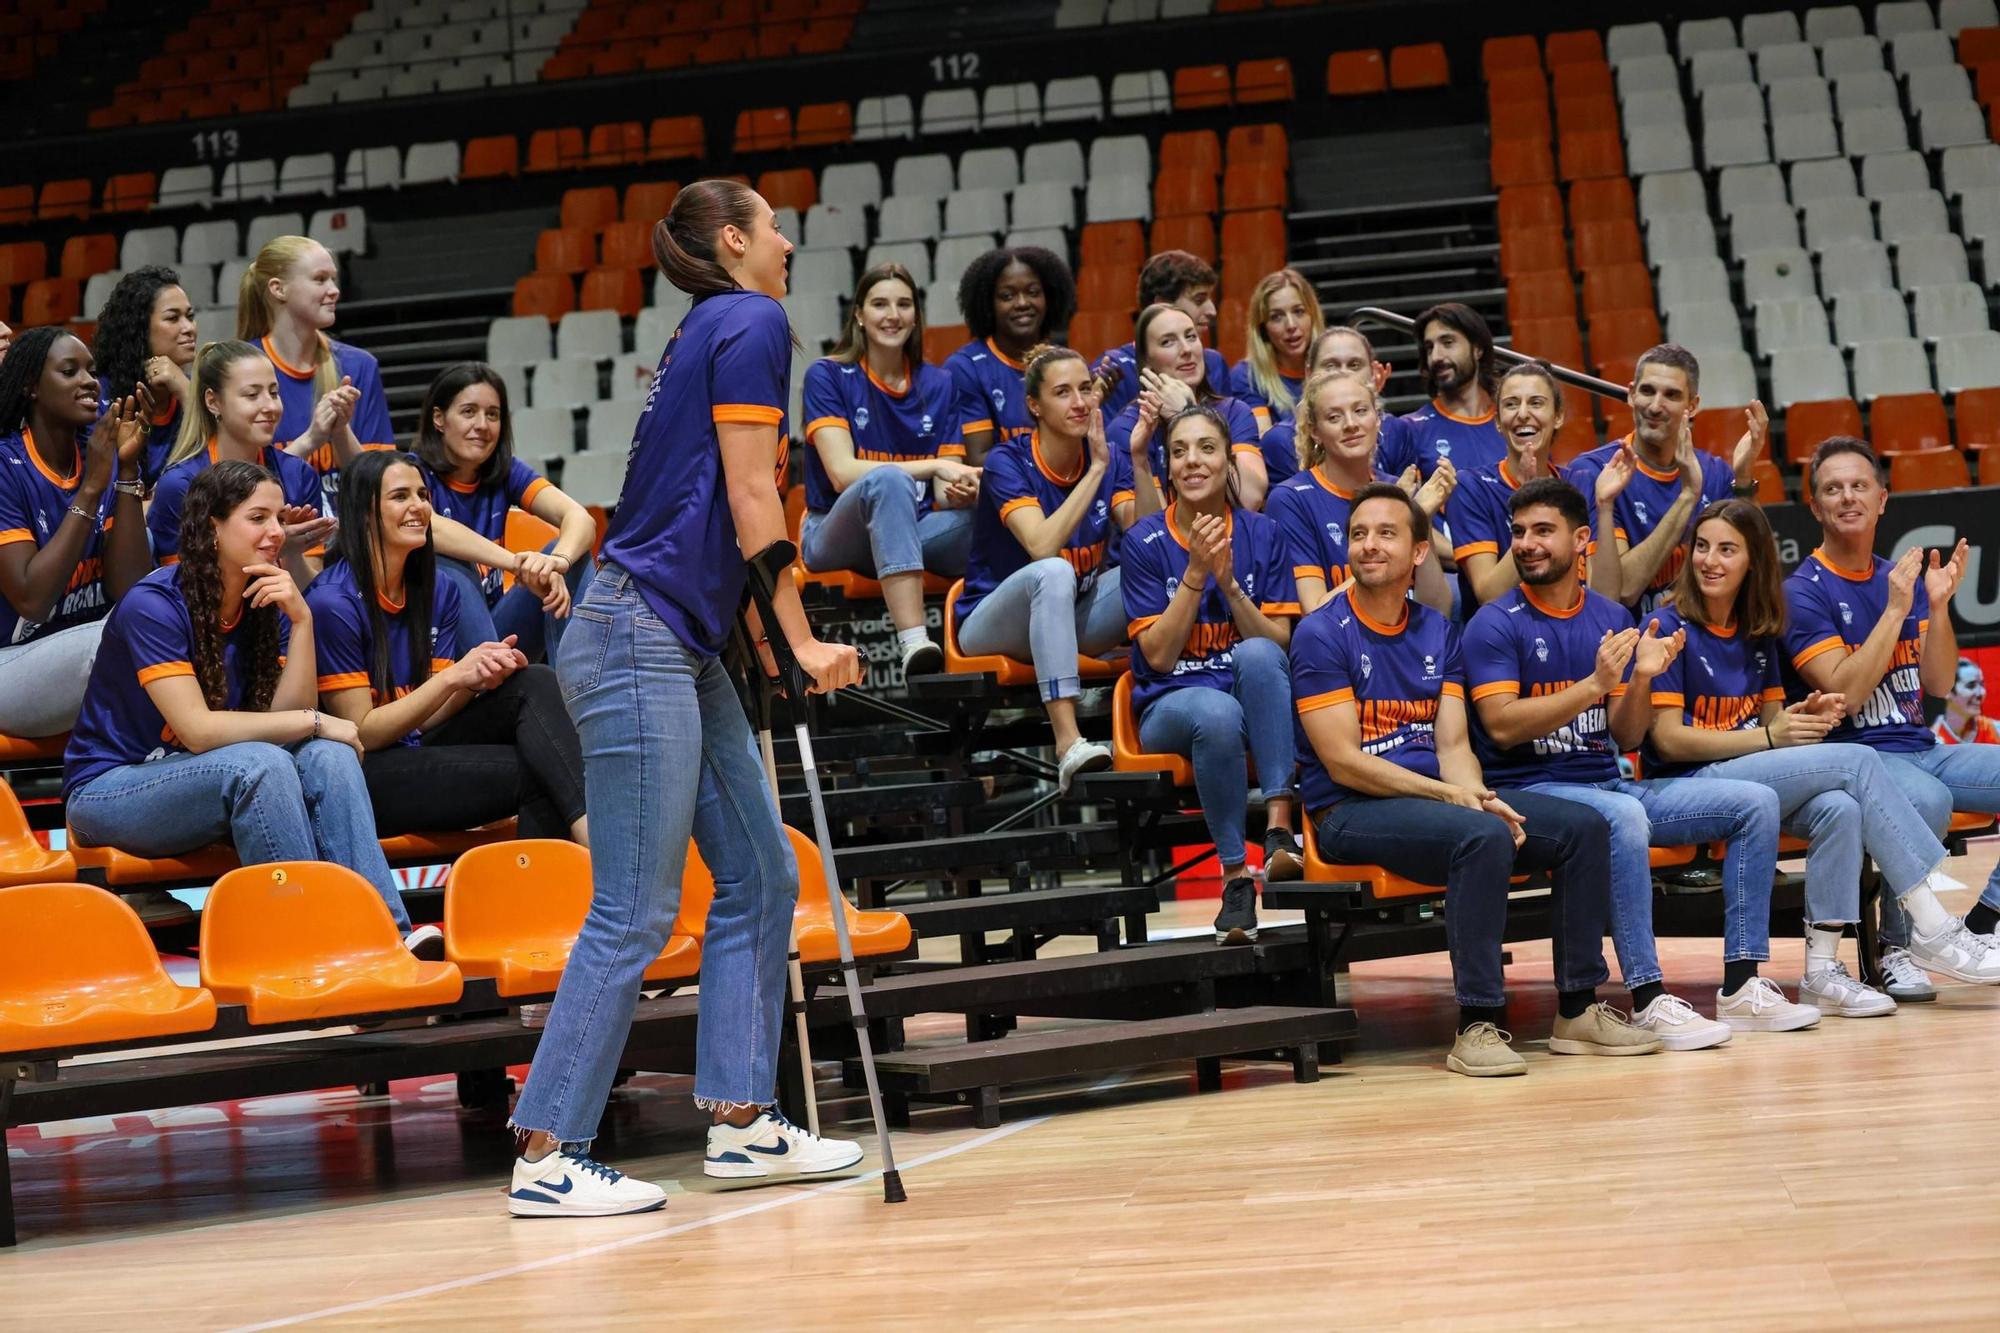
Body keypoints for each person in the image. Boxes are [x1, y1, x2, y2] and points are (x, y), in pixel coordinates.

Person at [507, 180, 867, 1218]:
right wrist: (799, 641)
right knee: (634, 905)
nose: (790, 238)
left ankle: (745, 1122)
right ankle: (545, 1150)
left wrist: (761, 636)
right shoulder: (752, 318)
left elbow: (710, 512)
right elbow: (752, 497)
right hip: (634, 638)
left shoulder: (710, 323)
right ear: (734, 240)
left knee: (758, 871)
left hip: (678, 636)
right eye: (774, 223)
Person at [1291, 481, 1658, 1075]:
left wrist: (1477, 796)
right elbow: (1343, 762)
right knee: (1480, 836)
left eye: (1386, 533)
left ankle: (1577, 1009)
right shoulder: (1322, 632)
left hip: (1436, 800)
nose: (1369, 545)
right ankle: (1476, 1024)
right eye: (1359, 534)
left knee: (1585, 828)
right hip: (1350, 810)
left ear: (1417, 553)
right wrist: (1459, 801)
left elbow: (1454, 744)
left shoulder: (1439, 631)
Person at [1463, 477, 1817, 1048]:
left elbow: (1626, 735)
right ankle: (1648, 996)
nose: (1527, 543)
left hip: (1608, 781)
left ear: (1581, 540)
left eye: (1542, 531)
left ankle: (1743, 982)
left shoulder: (1610, 615)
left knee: (1756, 803)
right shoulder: (1495, 622)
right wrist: (1594, 684)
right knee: (1620, 818)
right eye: (1519, 532)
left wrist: (1642, 680)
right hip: (1531, 791)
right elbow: (1502, 726)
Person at [1643, 498, 1992, 1014]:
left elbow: (1773, 722)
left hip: (1749, 774)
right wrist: (1769, 739)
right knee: (1853, 761)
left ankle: (1823, 970)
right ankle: (1932, 924)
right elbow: (1669, 741)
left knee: (1840, 807)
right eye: (1701, 547)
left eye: (1726, 550)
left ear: (1753, 562)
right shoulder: (1669, 625)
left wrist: (1808, 714)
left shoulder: (1757, 631)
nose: (1709, 560)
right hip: (1689, 782)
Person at [63, 461, 426, 942]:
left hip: (207, 777)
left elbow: (286, 722)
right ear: (212, 526)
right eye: (258, 518)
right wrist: (316, 720)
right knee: (262, 764)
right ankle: (311, 947)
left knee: (329, 756)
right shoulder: (153, 605)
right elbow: (198, 730)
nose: (276, 532)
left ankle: (387, 938)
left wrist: (301, 622)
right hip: (110, 790)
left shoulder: (269, 598)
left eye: (278, 518)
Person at [1785, 436, 2000, 996]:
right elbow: (1845, 693)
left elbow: (1937, 683)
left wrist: (1936, 606)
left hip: (1919, 746)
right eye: (1833, 489)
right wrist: (1897, 608)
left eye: (1860, 486)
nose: (1848, 497)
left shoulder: (1899, 575)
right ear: (1815, 507)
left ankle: (1984, 924)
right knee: (1926, 800)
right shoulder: (1802, 591)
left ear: (1883, 498)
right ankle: (1897, 950)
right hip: (1859, 754)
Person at [308, 451, 588, 852]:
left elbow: (430, 715)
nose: (419, 506)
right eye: (400, 496)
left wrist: (477, 680)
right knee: (541, 771)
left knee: (533, 680)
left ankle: (588, 857)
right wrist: (456, 677)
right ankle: (584, 871)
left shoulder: (439, 590)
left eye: (422, 494)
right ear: (365, 511)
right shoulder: (332, 602)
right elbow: (363, 732)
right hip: (364, 771)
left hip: (417, 743)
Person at [1120, 403, 1303, 942]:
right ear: (1167, 468)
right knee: (1215, 712)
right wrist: (1197, 574)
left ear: (1229, 463)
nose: (1192, 461)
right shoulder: (1144, 542)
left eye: (1206, 448)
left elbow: (1278, 644)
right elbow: (1157, 656)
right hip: (1168, 703)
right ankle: (1233, 878)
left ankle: (1278, 831)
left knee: (1258, 655)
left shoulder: (1264, 533)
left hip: (1250, 693)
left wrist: (1229, 583)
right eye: (1179, 451)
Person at [958, 345, 1154, 792]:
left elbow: (1150, 539)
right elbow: (1042, 546)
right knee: (1054, 572)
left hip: (1070, 617)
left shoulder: (1113, 457)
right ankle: (1068, 743)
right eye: (1063, 393)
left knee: (1161, 567)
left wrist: (1138, 461)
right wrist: (1096, 470)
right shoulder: (1007, 461)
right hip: (991, 623)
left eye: (1085, 389)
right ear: (1034, 406)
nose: (1080, 402)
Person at [800, 261, 979, 676]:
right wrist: (935, 465)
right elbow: (842, 474)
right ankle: (915, 641)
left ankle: (994, 638)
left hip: (910, 532)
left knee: (997, 518)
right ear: (859, 315)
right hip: (836, 533)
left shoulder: (939, 383)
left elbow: (941, 495)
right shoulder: (827, 375)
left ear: (916, 316)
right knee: (888, 480)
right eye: (879, 304)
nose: (892, 315)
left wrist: (967, 489)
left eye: (903, 304)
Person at [0, 327, 152, 738]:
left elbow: (130, 588)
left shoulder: (100, 452)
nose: (89, 381)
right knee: (116, 639)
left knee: (148, 613)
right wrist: (90, 488)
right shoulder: (5, 466)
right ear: (32, 386)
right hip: (10, 664)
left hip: (86, 649)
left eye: (91, 370)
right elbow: (32, 599)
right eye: (70, 372)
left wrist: (127, 471)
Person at [412, 361, 594, 665]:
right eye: (469, 412)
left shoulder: (505, 471)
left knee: (571, 556)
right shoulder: (410, 471)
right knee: (447, 559)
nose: (482, 425)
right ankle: (491, 686)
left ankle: (579, 681)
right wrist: (518, 564)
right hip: (439, 644)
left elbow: (580, 519)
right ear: (439, 419)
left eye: (492, 414)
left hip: (496, 632)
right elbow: (431, 527)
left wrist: (555, 562)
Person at [1563, 345, 1767, 614]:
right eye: (1647, 391)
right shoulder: (1594, 470)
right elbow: (1620, 591)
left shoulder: (1715, 472)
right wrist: (1688, 496)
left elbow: (1759, 568)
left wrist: (1742, 478)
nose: (1656, 406)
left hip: (1697, 640)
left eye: (1671, 395)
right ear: (1631, 394)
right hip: (1627, 641)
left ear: (1692, 406)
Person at [1266, 369, 1454, 616]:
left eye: (1361, 411)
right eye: (1334, 417)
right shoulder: (1292, 498)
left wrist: (1421, 518)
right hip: (1336, 645)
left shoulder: (1397, 488)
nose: (1351, 424)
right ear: (1315, 431)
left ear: (1377, 418)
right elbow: (1315, 611)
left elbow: (1437, 610)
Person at [149, 341, 332, 588]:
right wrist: (273, 545)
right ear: (213, 402)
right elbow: (182, 593)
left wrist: (292, 552)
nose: (270, 406)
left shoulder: (298, 474)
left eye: (274, 393)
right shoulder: (180, 485)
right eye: (252, 395)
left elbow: (312, 592)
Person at [236, 234, 395, 507]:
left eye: (333, 279)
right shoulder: (241, 367)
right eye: (320, 279)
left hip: (350, 539)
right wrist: (311, 439)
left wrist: (340, 430)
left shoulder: (359, 366)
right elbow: (234, 488)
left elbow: (381, 484)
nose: (334, 290)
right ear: (278, 289)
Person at [1450, 360, 1622, 609]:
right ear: (1498, 421)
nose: (1522, 414)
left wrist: (1605, 507)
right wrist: (1530, 505)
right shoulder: (1472, 486)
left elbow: (1607, 597)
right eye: (1511, 404)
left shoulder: (1581, 484)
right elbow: (1489, 595)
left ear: (1559, 416)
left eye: (1536, 403)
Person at [1104, 303, 1263, 505]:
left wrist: (1186, 414)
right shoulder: (1127, 429)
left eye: (1191, 336)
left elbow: (1250, 497)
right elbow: (1147, 528)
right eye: (1168, 342)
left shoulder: (1234, 411)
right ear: (1146, 362)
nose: (1186, 349)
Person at [946, 245, 1077, 461]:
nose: (1023, 303)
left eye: (1033, 292)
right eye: (1007, 296)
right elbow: (979, 459)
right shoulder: (966, 367)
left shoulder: (1065, 363)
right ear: (989, 305)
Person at [89, 265, 197, 488]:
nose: (188, 328)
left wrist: (186, 391)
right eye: (172, 318)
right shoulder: (100, 398)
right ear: (139, 328)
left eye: (190, 316)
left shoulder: (191, 388)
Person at [1091, 250, 1230, 419]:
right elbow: (1106, 442)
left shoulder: (1215, 363)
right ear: (1162, 304)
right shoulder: (1114, 370)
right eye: (1199, 300)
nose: (1212, 311)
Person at [1399, 302, 1508, 476]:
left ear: (1477, 349)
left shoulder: (1513, 421)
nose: (1436, 357)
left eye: (1447, 343)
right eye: (1429, 348)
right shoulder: (1410, 430)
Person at [1229, 268, 1323, 432]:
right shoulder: (1247, 377)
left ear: (1312, 316)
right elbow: (1263, 440)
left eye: (1299, 312)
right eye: (1276, 317)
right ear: (1262, 328)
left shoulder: (1336, 366)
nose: (1291, 325)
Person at [1937, 658, 1999, 746]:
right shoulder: (1933, 738)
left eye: (1981, 684)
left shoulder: (1995, 730)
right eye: (1971, 686)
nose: (1980, 693)